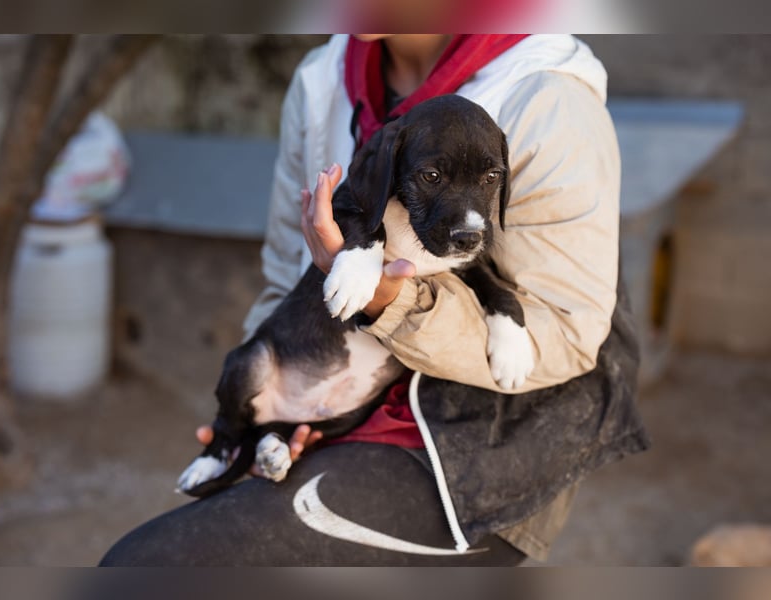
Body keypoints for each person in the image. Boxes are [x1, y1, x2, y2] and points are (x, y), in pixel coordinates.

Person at [100, 34, 648, 566]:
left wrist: (395, 302)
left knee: (147, 569)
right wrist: (277, 402)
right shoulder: (321, 81)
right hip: (337, 415)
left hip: (484, 450)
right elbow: (284, 272)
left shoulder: (549, 98)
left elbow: (568, 336)